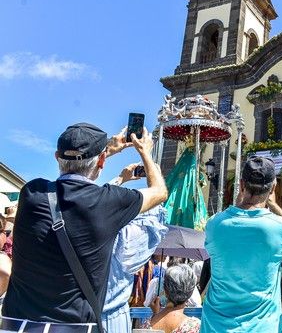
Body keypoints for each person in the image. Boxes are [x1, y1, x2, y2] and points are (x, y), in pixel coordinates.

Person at [1, 123, 168, 331]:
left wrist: (106, 153)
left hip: (18, 326)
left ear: (56, 157)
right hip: (74, 327)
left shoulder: (31, 193)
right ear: (102, 161)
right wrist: (145, 152)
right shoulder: (108, 202)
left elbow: (80, 194)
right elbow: (159, 191)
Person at [201, 156, 282, 333]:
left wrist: (239, 203)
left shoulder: (215, 224)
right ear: (273, 188)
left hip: (216, 326)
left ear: (241, 184)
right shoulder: (280, 229)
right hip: (263, 327)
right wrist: (273, 204)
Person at [102, 163, 168, 332]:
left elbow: (93, 205)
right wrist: (155, 179)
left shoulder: (82, 225)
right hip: (109, 318)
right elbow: (153, 218)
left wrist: (120, 179)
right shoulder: (125, 250)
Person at [143, 264, 201, 333]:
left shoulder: (147, 325)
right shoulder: (194, 327)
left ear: (165, 290)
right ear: (190, 293)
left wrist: (156, 314)